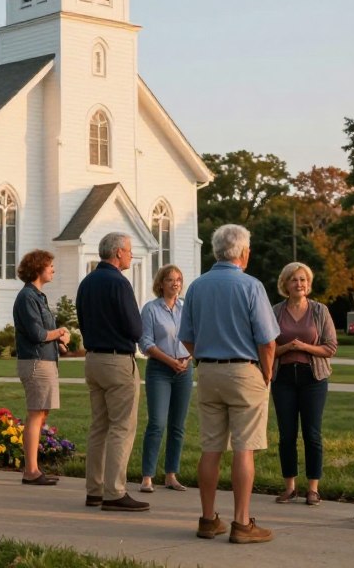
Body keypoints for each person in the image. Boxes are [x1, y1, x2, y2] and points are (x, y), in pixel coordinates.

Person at [178, 224, 279, 544]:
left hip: (207, 370)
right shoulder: (251, 286)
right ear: (244, 252)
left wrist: (204, 359)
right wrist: (267, 372)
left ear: (217, 251)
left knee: (211, 448)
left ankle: (208, 519)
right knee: (243, 448)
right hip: (243, 370)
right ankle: (242, 523)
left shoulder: (196, 287)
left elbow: (186, 337)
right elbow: (267, 340)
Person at [76, 232, 149, 512]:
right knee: (121, 426)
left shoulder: (88, 282)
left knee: (99, 426)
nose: (131, 255)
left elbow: (82, 319)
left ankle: (94, 490)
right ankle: (115, 492)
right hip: (117, 360)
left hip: (93, 358)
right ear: (117, 253)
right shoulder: (119, 283)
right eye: (129, 251)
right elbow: (135, 328)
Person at [270, 262, 337, 506]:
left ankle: (312, 488)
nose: (299, 284)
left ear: (308, 285)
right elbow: (266, 348)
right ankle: (290, 487)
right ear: (285, 284)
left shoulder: (320, 311)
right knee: (287, 434)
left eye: (303, 280)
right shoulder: (275, 311)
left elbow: (330, 347)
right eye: (294, 280)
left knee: (312, 434)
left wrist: (303, 347)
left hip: (313, 378)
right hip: (284, 378)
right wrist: (287, 348)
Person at [13, 249, 70, 486]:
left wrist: (58, 341)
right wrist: (60, 332)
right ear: (38, 268)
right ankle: (31, 471)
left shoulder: (38, 296)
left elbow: (41, 332)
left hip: (45, 361)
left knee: (41, 413)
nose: (53, 269)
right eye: (50, 266)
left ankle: (35, 468)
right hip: (36, 363)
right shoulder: (27, 297)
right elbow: (37, 334)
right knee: (36, 414)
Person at [138, 264, 192, 494]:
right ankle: (147, 477)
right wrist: (170, 361)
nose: (175, 283)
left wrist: (187, 359)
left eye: (178, 279)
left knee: (177, 425)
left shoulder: (186, 308)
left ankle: (171, 475)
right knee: (157, 423)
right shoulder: (151, 309)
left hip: (185, 369)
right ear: (161, 283)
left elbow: (194, 336)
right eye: (170, 279)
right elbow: (146, 343)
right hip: (160, 369)